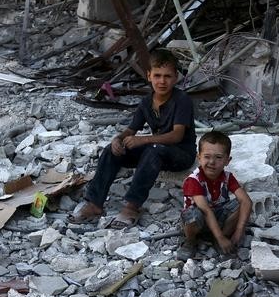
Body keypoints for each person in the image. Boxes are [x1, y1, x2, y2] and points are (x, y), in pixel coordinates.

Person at [70, 49, 196, 229]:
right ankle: (95, 203)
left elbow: (177, 135)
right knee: (110, 150)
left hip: (180, 154)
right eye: (157, 75)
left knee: (153, 150)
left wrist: (143, 140)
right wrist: (118, 139)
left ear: (175, 77)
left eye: (167, 76)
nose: (162, 81)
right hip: (156, 150)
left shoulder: (182, 99)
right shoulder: (146, 101)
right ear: (149, 75)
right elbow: (130, 130)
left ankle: (131, 207)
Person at [176, 131, 252, 260]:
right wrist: (221, 238)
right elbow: (205, 210)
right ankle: (190, 241)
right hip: (199, 221)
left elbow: (246, 201)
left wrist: (239, 230)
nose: (212, 161)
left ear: (228, 160)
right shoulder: (193, 180)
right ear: (199, 157)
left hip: (218, 218)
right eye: (207, 156)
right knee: (192, 215)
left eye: (218, 157)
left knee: (240, 204)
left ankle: (221, 237)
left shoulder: (228, 177)